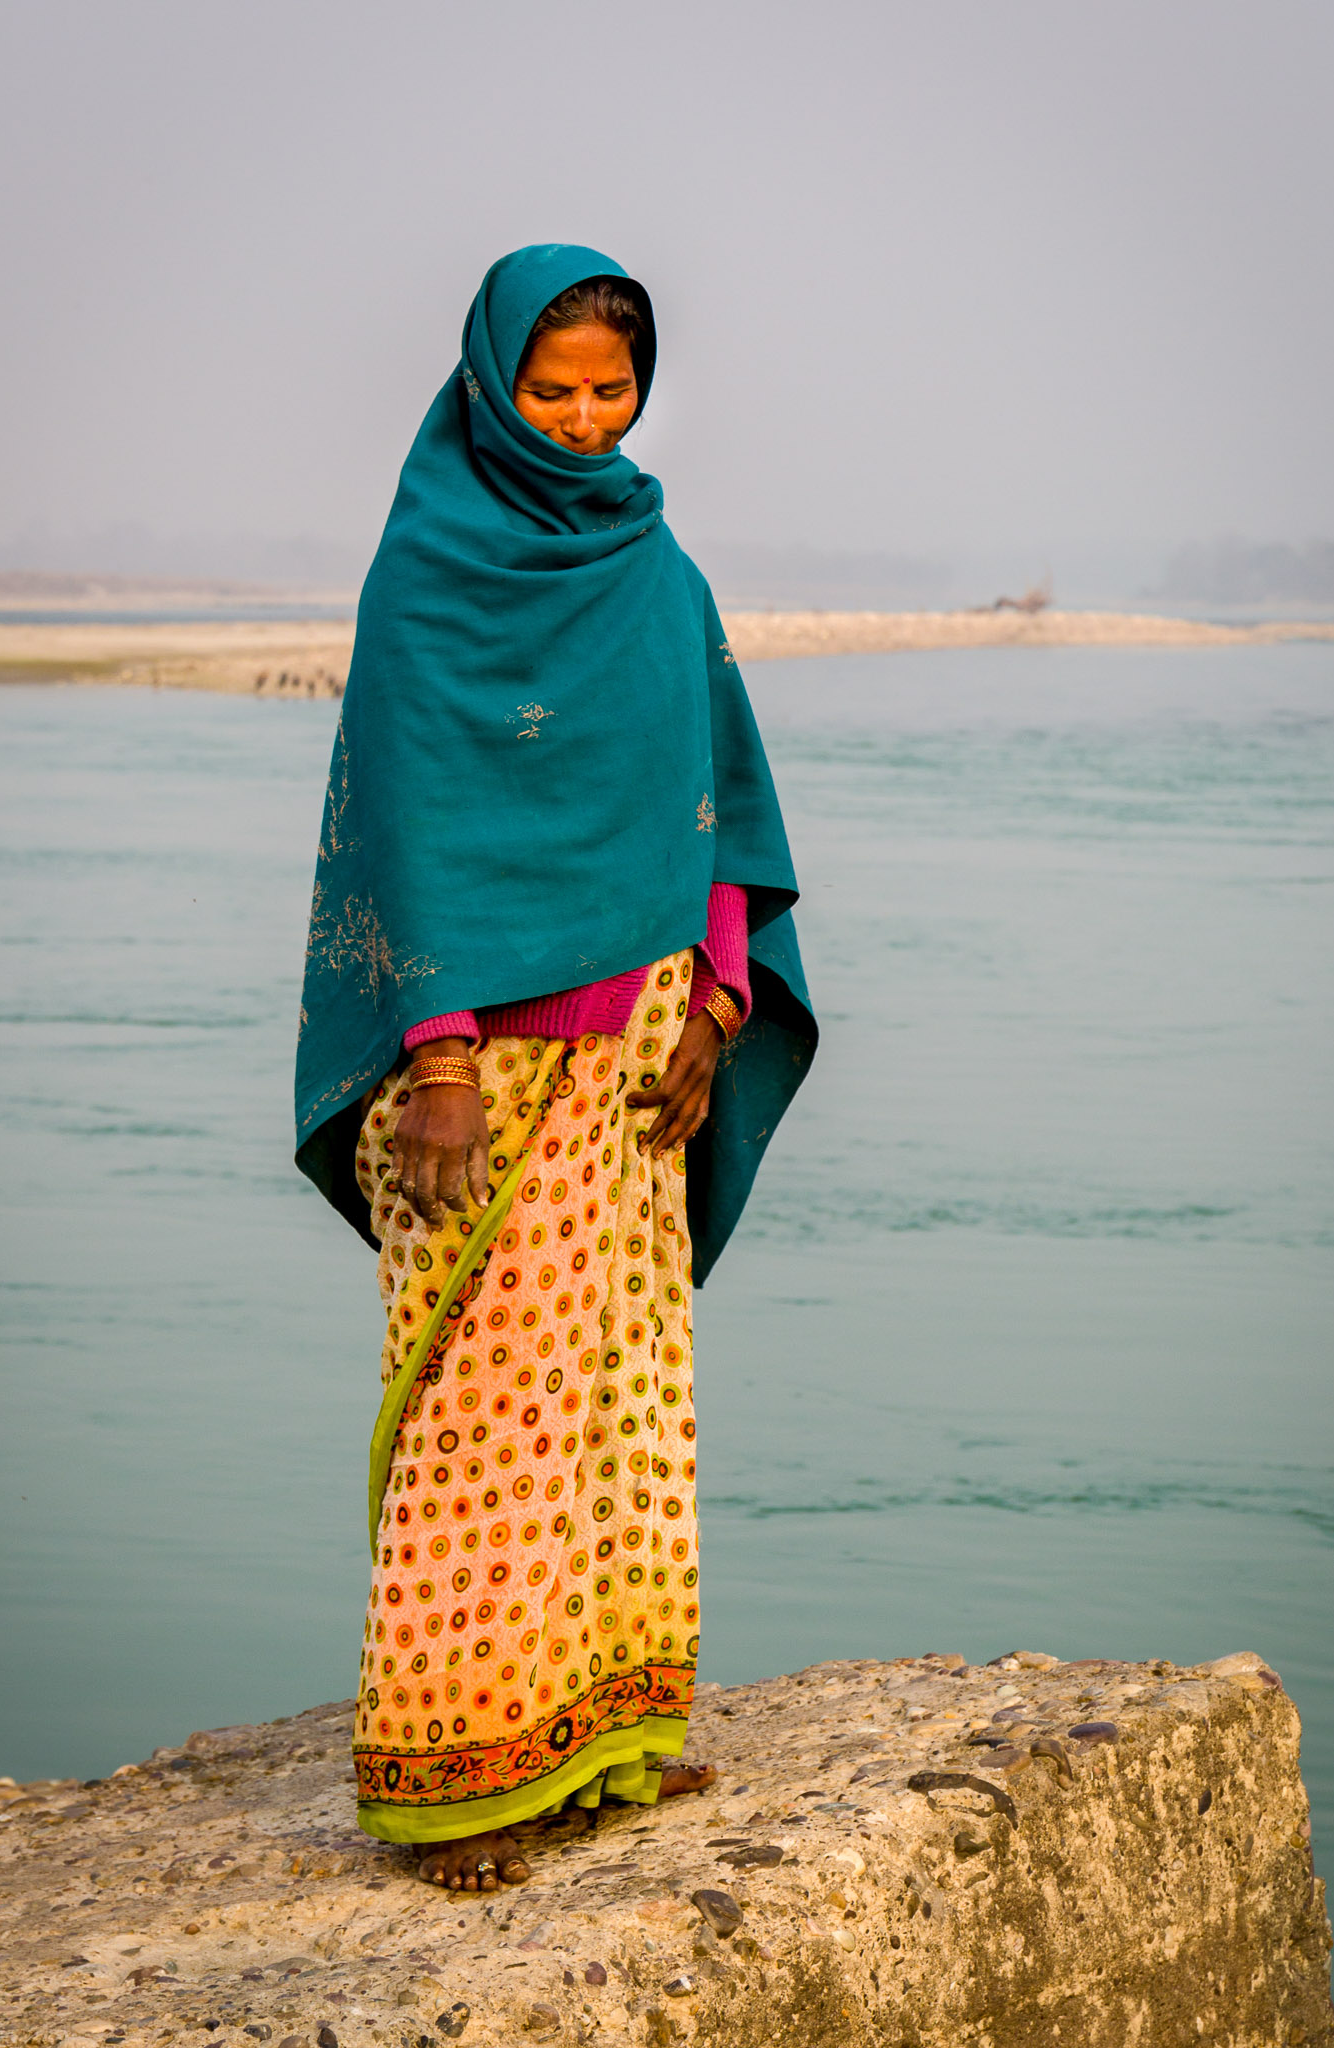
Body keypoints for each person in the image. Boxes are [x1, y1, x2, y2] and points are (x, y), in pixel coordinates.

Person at [294, 243, 815, 1891]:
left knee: (619, 1411)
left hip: (643, 1057)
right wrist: (433, 1057)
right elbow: (409, 825)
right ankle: (452, 1774)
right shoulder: (426, 579)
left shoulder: (661, 572)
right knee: (479, 1427)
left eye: (612, 389)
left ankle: (604, 1738)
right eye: (554, 388)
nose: (587, 419)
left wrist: (721, 1011)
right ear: (488, 381)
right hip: (479, 1082)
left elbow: (717, 809)